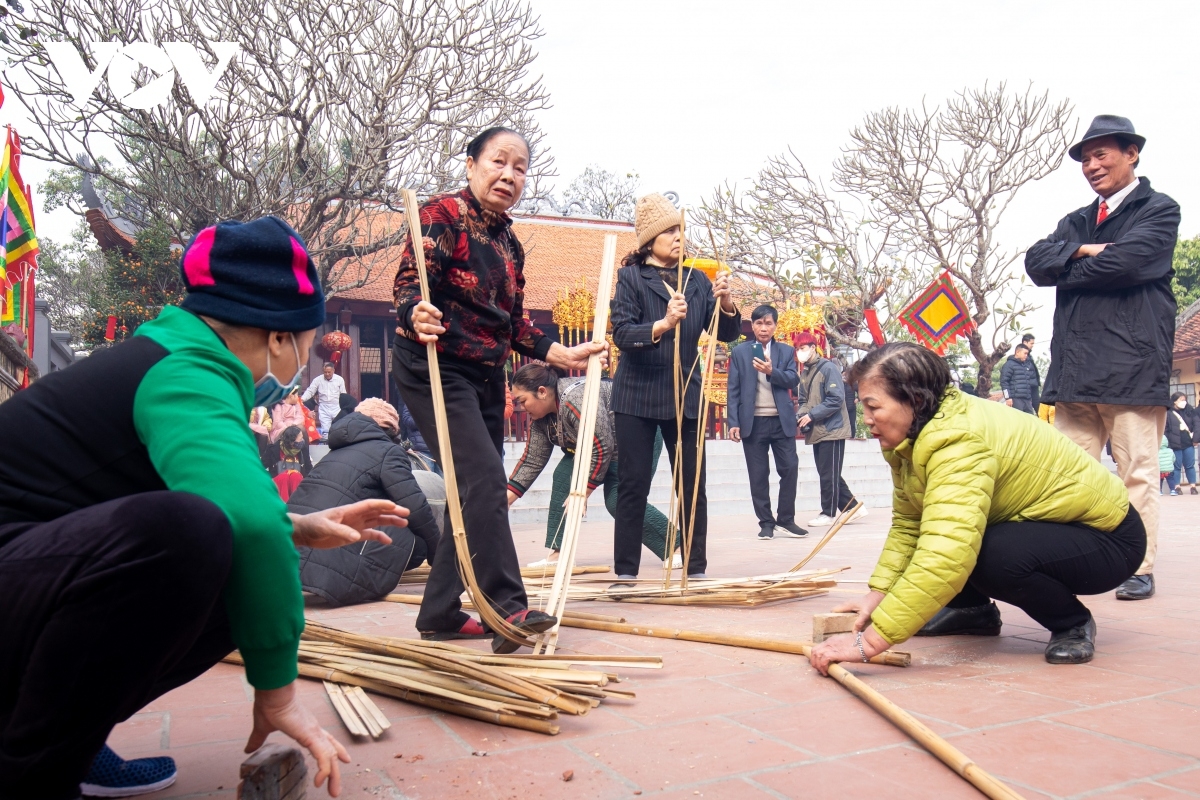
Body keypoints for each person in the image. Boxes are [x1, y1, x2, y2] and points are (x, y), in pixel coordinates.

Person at [0, 216, 408, 798]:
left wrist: (294, 525)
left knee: (230, 573)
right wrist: (278, 691)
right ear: (277, 337)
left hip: (24, 573)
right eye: (308, 345)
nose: (305, 361)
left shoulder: (177, 355)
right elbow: (237, 522)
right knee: (190, 536)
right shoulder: (185, 374)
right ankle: (32, 768)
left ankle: (71, 736)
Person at [391, 126, 604, 653]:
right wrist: (414, 311)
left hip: (486, 375)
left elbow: (516, 326)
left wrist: (560, 354)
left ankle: (439, 611)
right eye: (498, 162)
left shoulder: (510, 243)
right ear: (471, 164)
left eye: (521, 167)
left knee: (471, 495)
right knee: (485, 479)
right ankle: (507, 609)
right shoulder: (442, 215)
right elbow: (408, 284)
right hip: (436, 366)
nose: (509, 175)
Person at [809, 343, 1144, 675]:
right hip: (1051, 529)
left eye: (873, 407)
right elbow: (911, 521)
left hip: (1108, 541)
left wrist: (867, 644)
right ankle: (971, 610)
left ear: (916, 400)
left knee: (985, 552)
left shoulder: (957, 440)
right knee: (961, 532)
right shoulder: (914, 435)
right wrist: (879, 593)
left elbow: (945, 555)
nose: (866, 420)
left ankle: (1072, 622)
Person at [1025, 114, 1180, 601]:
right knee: (1066, 477)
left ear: (1131, 153)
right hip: (1074, 372)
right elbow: (1034, 261)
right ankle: (1076, 563)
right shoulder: (1076, 221)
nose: (1092, 165)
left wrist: (1067, 262)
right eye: (1086, 158)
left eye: (1102, 154)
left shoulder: (1159, 209)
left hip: (1132, 367)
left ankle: (1140, 565)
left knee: (1137, 472)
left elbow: (1129, 261)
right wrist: (1088, 249)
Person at [609, 192, 742, 583]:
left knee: (691, 483)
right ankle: (626, 571)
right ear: (650, 240)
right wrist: (663, 324)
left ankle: (695, 565)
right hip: (636, 393)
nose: (678, 236)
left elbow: (728, 333)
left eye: (680, 228)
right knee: (634, 483)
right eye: (669, 230)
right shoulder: (631, 278)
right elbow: (621, 333)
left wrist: (727, 301)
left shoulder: (698, 280)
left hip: (685, 393)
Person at [506, 363, 677, 568]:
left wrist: (583, 491)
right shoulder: (541, 417)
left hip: (633, 440)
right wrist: (504, 500)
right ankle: (560, 554)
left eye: (523, 401)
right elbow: (533, 459)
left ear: (542, 392)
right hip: (592, 449)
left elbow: (602, 446)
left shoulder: (576, 399)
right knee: (564, 477)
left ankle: (675, 546)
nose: (522, 408)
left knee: (618, 498)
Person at [288, 399, 442, 607]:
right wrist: (438, 553)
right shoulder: (388, 451)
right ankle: (353, 578)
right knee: (417, 541)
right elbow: (414, 507)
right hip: (332, 572)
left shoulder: (334, 453)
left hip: (289, 563)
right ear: (389, 428)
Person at [726, 305, 805, 540]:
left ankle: (786, 520)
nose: (763, 328)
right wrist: (733, 423)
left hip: (782, 422)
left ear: (775, 326)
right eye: (759, 323)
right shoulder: (740, 352)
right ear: (753, 326)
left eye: (768, 323)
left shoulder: (785, 351)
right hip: (753, 422)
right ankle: (766, 522)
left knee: (789, 469)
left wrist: (772, 371)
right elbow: (734, 390)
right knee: (758, 475)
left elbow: (793, 379)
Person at [795, 332, 865, 527]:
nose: (800, 352)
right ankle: (853, 508)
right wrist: (801, 415)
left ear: (812, 347)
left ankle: (828, 513)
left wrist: (813, 415)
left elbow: (836, 398)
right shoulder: (805, 373)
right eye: (797, 349)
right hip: (817, 429)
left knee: (828, 473)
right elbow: (803, 400)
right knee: (828, 472)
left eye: (803, 348)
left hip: (832, 428)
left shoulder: (829, 368)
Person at [302, 362, 347, 438]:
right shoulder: (317, 380)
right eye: (325, 372)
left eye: (329, 372)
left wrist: (345, 407)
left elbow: (343, 394)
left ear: (333, 370)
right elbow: (310, 391)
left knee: (339, 429)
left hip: (337, 407)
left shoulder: (340, 380)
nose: (327, 374)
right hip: (324, 408)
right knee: (325, 432)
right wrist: (302, 399)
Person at [1165, 392, 1197, 495]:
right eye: (1181, 400)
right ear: (1175, 401)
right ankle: (1177, 486)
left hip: (1188, 442)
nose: (1184, 402)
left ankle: (1193, 486)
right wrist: (1169, 442)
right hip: (1175, 444)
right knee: (1176, 466)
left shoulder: (1189, 411)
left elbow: (1196, 425)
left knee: (1190, 466)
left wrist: (1195, 439)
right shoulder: (1168, 413)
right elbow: (1165, 429)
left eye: (1184, 399)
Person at [999, 343, 1038, 414]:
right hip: (1015, 399)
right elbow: (1004, 382)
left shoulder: (1026, 365)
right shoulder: (1009, 365)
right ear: (1017, 352)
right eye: (1025, 353)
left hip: (1027, 400)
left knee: (1030, 421)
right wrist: (1008, 398)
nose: (1026, 356)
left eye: (1027, 354)